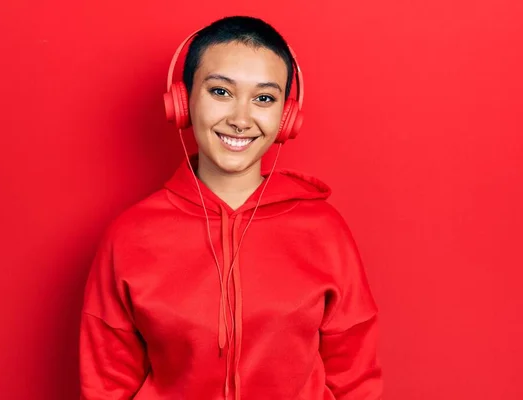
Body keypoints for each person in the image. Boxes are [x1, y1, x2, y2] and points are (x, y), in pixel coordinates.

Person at [79, 15, 383, 400]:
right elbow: (106, 384)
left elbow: (354, 380)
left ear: (287, 117)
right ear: (183, 101)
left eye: (264, 98)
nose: (240, 119)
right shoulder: (129, 235)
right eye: (220, 92)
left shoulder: (325, 231)